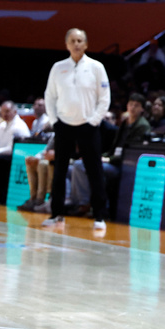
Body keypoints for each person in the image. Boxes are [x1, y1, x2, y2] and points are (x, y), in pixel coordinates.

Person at [42, 29, 111, 232]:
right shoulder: (58, 67)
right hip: (63, 125)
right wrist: (55, 121)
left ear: (86, 44)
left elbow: (104, 97)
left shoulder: (96, 67)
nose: (76, 44)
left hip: (88, 127)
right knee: (59, 171)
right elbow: (49, 96)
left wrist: (94, 121)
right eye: (72, 41)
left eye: (80, 40)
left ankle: (99, 215)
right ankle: (56, 214)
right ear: (66, 44)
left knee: (94, 171)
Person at [68, 92, 151, 219]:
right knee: (76, 166)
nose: (132, 107)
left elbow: (132, 154)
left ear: (142, 109)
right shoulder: (124, 123)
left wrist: (108, 159)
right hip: (114, 160)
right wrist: (99, 157)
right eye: (131, 104)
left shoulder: (142, 126)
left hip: (125, 165)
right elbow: (113, 149)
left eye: (136, 105)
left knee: (81, 167)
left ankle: (84, 204)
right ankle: (80, 203)